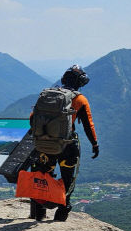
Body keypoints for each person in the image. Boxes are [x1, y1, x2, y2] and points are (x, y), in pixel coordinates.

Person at [29, 64, 99, 222]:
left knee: (42, 176)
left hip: (45, 145)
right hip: (67, 145)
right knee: (68, 179)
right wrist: (94, 144)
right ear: (80, 82)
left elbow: (32, 118)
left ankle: (39, 213)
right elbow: (89, 124)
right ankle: (62, 212)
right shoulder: (79, 99)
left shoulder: (48, 95)